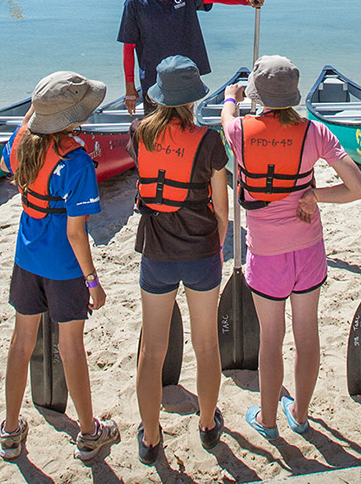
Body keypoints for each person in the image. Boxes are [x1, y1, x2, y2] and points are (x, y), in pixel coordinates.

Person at [223, 56, 361, 438]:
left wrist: (230, 98)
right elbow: (359, 188)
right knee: (307, 334)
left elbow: (227, 122)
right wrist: (314, 195)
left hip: (267, 254)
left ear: (259, 95)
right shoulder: (315, 133)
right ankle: (301, 416)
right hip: (308, 249)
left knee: (271, 339)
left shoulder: (239, 130)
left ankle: (268, 420)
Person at [0, 72, 120, 462]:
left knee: (21, 343)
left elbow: (9, 161)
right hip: (65, 270)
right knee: (71, 350)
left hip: (26, 259)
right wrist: (93, 280)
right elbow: (76, 234)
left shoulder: (21, 143)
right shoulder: (77, 161)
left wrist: (33, 114)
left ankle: (11, 430)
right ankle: (88, 432)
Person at [130, 57, 228, 464]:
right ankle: (207, 424)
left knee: (151, 351)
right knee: (206, 344)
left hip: (157, 253)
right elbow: (222, 210)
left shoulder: (138, 135)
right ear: (193, 98)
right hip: (201, 253)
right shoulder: (209, 142)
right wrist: (215, 247)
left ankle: (151, 438)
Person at [118, 0, 262, 114]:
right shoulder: (134, 3)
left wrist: (245, 0)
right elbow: (128, 47)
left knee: (185, 127)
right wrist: (130, 88)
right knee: (155, 132)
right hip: (153, 81)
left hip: (185, 79)